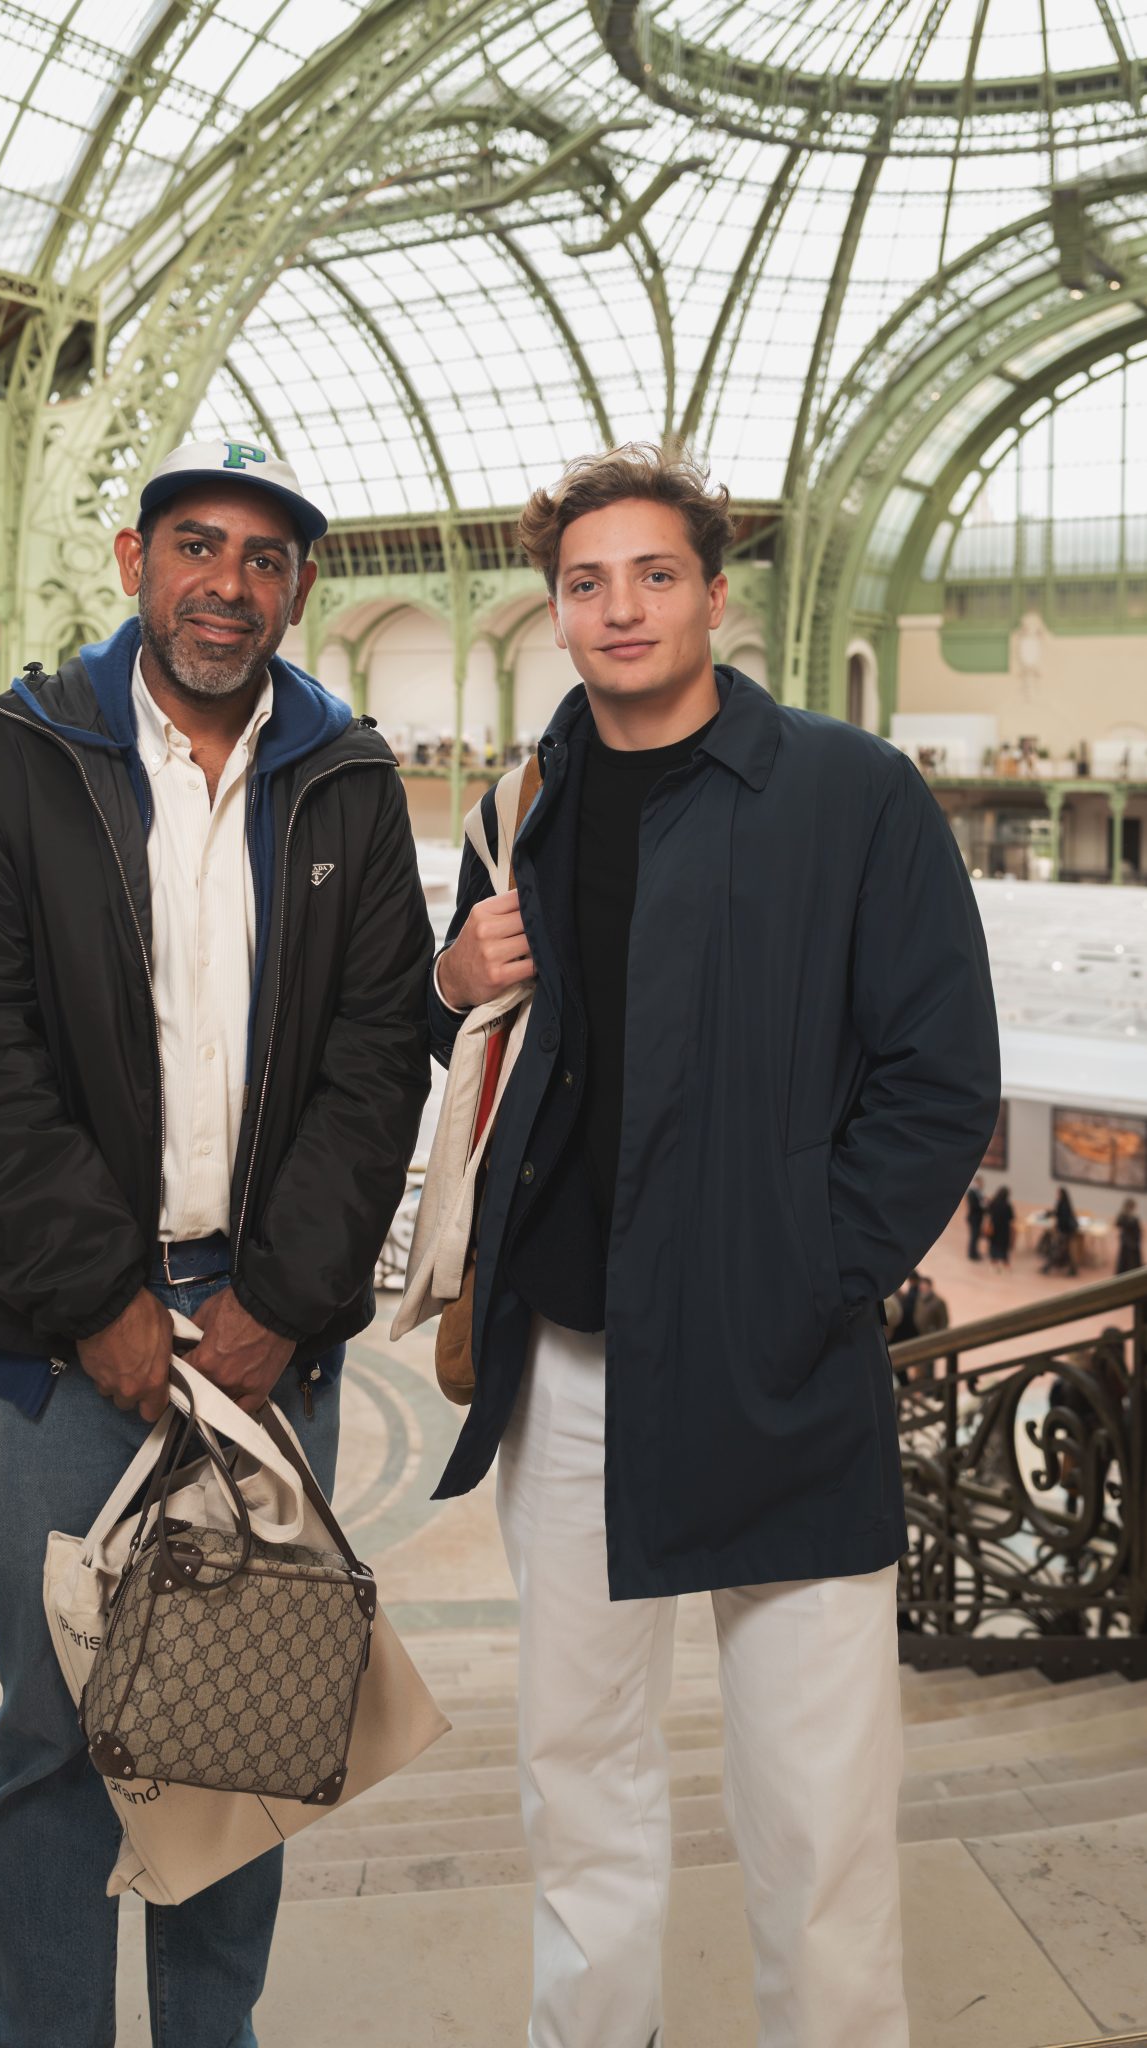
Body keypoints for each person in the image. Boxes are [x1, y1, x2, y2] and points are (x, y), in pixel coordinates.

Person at [425, 444, 1000, 2048]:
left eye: (652, 575)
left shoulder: (846, 790)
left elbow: (937, 1073)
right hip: (568, 1369)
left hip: (779, 1372)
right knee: (577, 1785)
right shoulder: (519, 804)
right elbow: (484, 1044)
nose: (620, 609)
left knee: (816, 1816)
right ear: (553, 615)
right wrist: (442, 984)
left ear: (714, 597)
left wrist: (805, 1275)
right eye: (586, 583)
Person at [0, 435, 433, 2048]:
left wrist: (276, 1301)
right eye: (194, 544)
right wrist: (103, 1308)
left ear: (300, 589)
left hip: (269, 1347)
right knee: (57, 1744)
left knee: (232, 1737)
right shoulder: (2, 761)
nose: (226, 581)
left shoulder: (345, 777)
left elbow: (375, 1057)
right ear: (134, 566)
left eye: (262, 556)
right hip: (58, 1367)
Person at [1043, 1186, 1081, 1276]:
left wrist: (1060, 1229)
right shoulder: (1063, 1203)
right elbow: (1057, 1213)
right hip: (1064, 1231)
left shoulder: (1063, 1205)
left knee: (1056, 1250)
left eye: (1058, 1193)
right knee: (1063, 1251)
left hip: (1064, 1231)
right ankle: (1072, 1269)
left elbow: (1063, 1218)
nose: (1056, 1195)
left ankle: (1047, 1268)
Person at [987, 1184, 1014, 1268]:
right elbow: (1011, 1217)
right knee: (1003, 1246)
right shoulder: (1007, 1205)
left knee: (993, 1244)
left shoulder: (993, 1202)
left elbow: (988, 1211)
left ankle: (993, 1261)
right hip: (1004, 1229)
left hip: (994, 1227)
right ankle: (1005, 1262)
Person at [1117, 1197, 1142, 1275]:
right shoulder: (1132, 1218)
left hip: (1127, 1241)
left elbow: (1118, 1223)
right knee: (1131, 1263)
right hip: (1132, 1243)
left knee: (1125, 1261)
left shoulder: (1123, 1216)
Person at [966, 1174, 986, 1259]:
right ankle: (972, 1254)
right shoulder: (971, 1193)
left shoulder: (979, 1192)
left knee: (976, 1236)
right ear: (977, 1182)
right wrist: (983, 1205)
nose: (982, 1184)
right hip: (974, 1217)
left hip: (978, 1217)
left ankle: (975, 1252)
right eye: (980, 1182)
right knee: (974, 1236)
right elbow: (974, 1205)